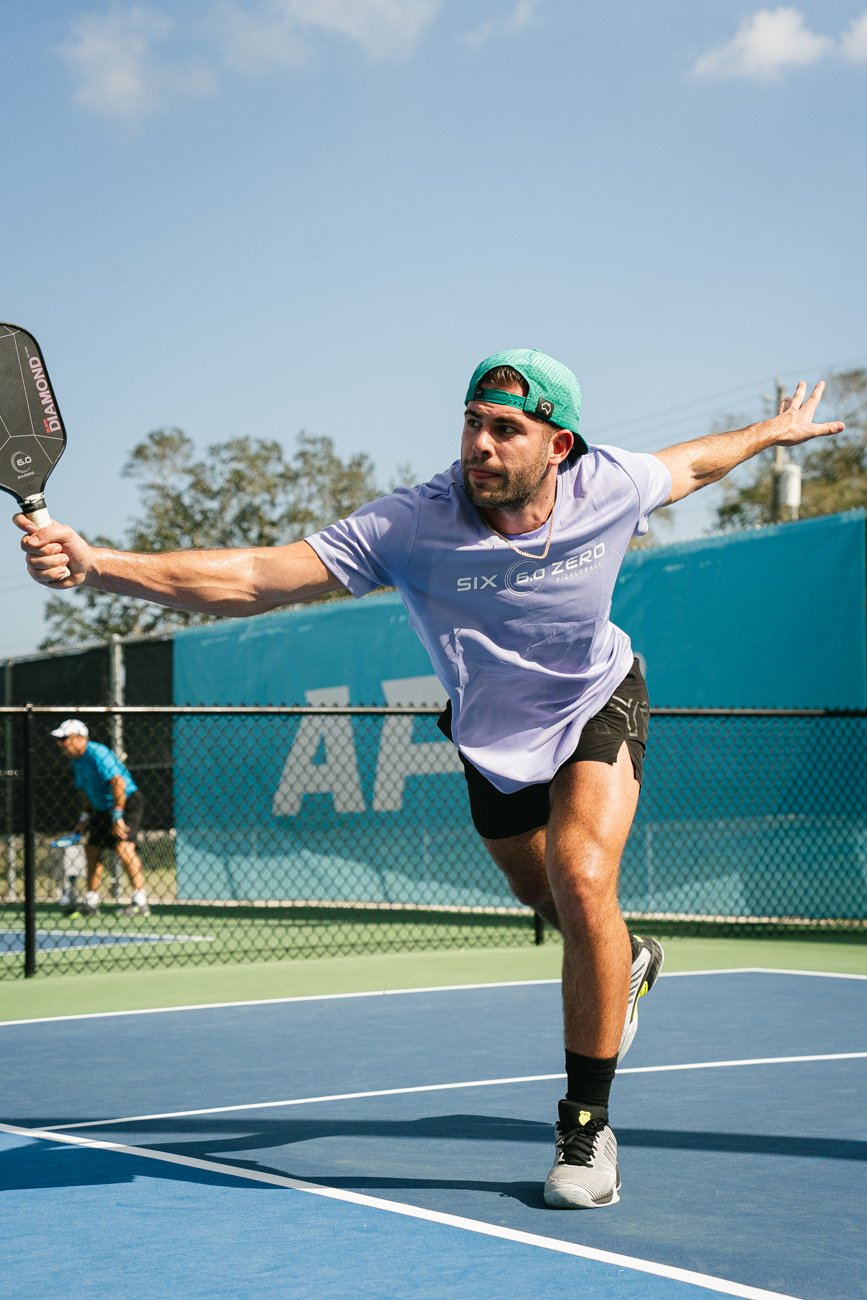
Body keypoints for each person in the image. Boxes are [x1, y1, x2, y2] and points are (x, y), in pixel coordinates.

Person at [18, 349, 843, 1208]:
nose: (478, 444)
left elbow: (694, 463)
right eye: (472, 422)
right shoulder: (411, 524)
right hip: (491, 737)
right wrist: (97, 563)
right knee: (546, 897)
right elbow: (257, 578)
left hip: (596, 702)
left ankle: (585, 1128)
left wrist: (769, 433)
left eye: (505, 429)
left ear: (558, 446)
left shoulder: (610, 484)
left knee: (580, 875)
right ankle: (623, 958)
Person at [51, 718, 150, 917]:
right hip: (101, 809)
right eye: (59, 739)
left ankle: (140, 901)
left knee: (124, 847)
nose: (60, 744)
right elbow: (85, 791)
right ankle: (91, 901)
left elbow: (118, 782)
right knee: (92, 849)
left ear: (79, 738)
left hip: (126, 803)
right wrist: (84, 818)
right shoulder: (77, 761)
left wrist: (118, 816)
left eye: (64, 738)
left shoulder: (98, 753)